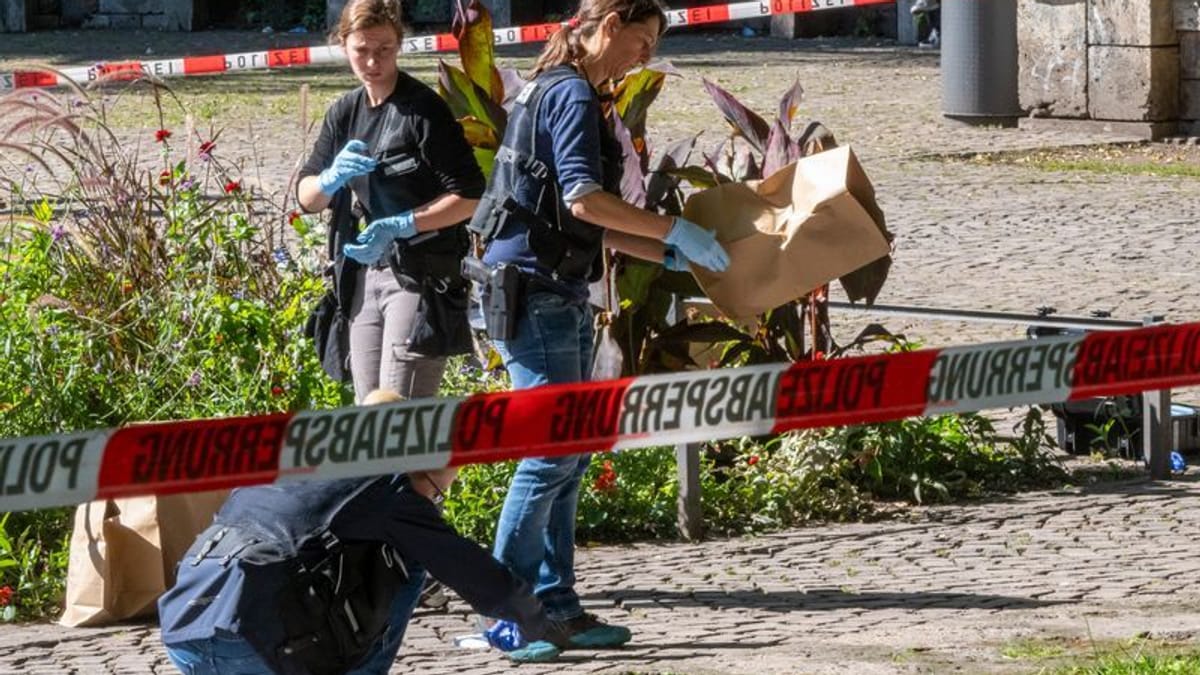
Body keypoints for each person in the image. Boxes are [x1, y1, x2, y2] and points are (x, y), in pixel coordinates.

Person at [466, 0, 730, 649]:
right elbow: (587, 196)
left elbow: (591, 221)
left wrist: (667, 252)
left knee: (570, 452)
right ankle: (508, 611)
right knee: (551, 449)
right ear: (608, 27)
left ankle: (556, 604)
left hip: (555, 288)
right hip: (537, 293)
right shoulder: (572, 96)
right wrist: (674, 229)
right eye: (641, 43)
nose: (645, 59)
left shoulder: (560, 91)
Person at [157, 389, 567, 674]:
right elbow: (472, 571)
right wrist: (535, 621)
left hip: (185, 630)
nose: (434, 503)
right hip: (254, 642)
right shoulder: (388, 486)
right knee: (409, 561)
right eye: (438, 492)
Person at [297, 0, 484, 405]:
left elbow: (470, 195)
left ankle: (418, 471)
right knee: (370, 413)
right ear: (343, 45)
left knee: (399, 410)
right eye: (361, 50)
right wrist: (330, 180)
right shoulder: (345, 112)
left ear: (399, 44)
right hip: (366, 274)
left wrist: (403, 223)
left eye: (383, 49)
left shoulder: (423, 111)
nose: (372, 61)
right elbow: (306, 197)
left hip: (420, 274)